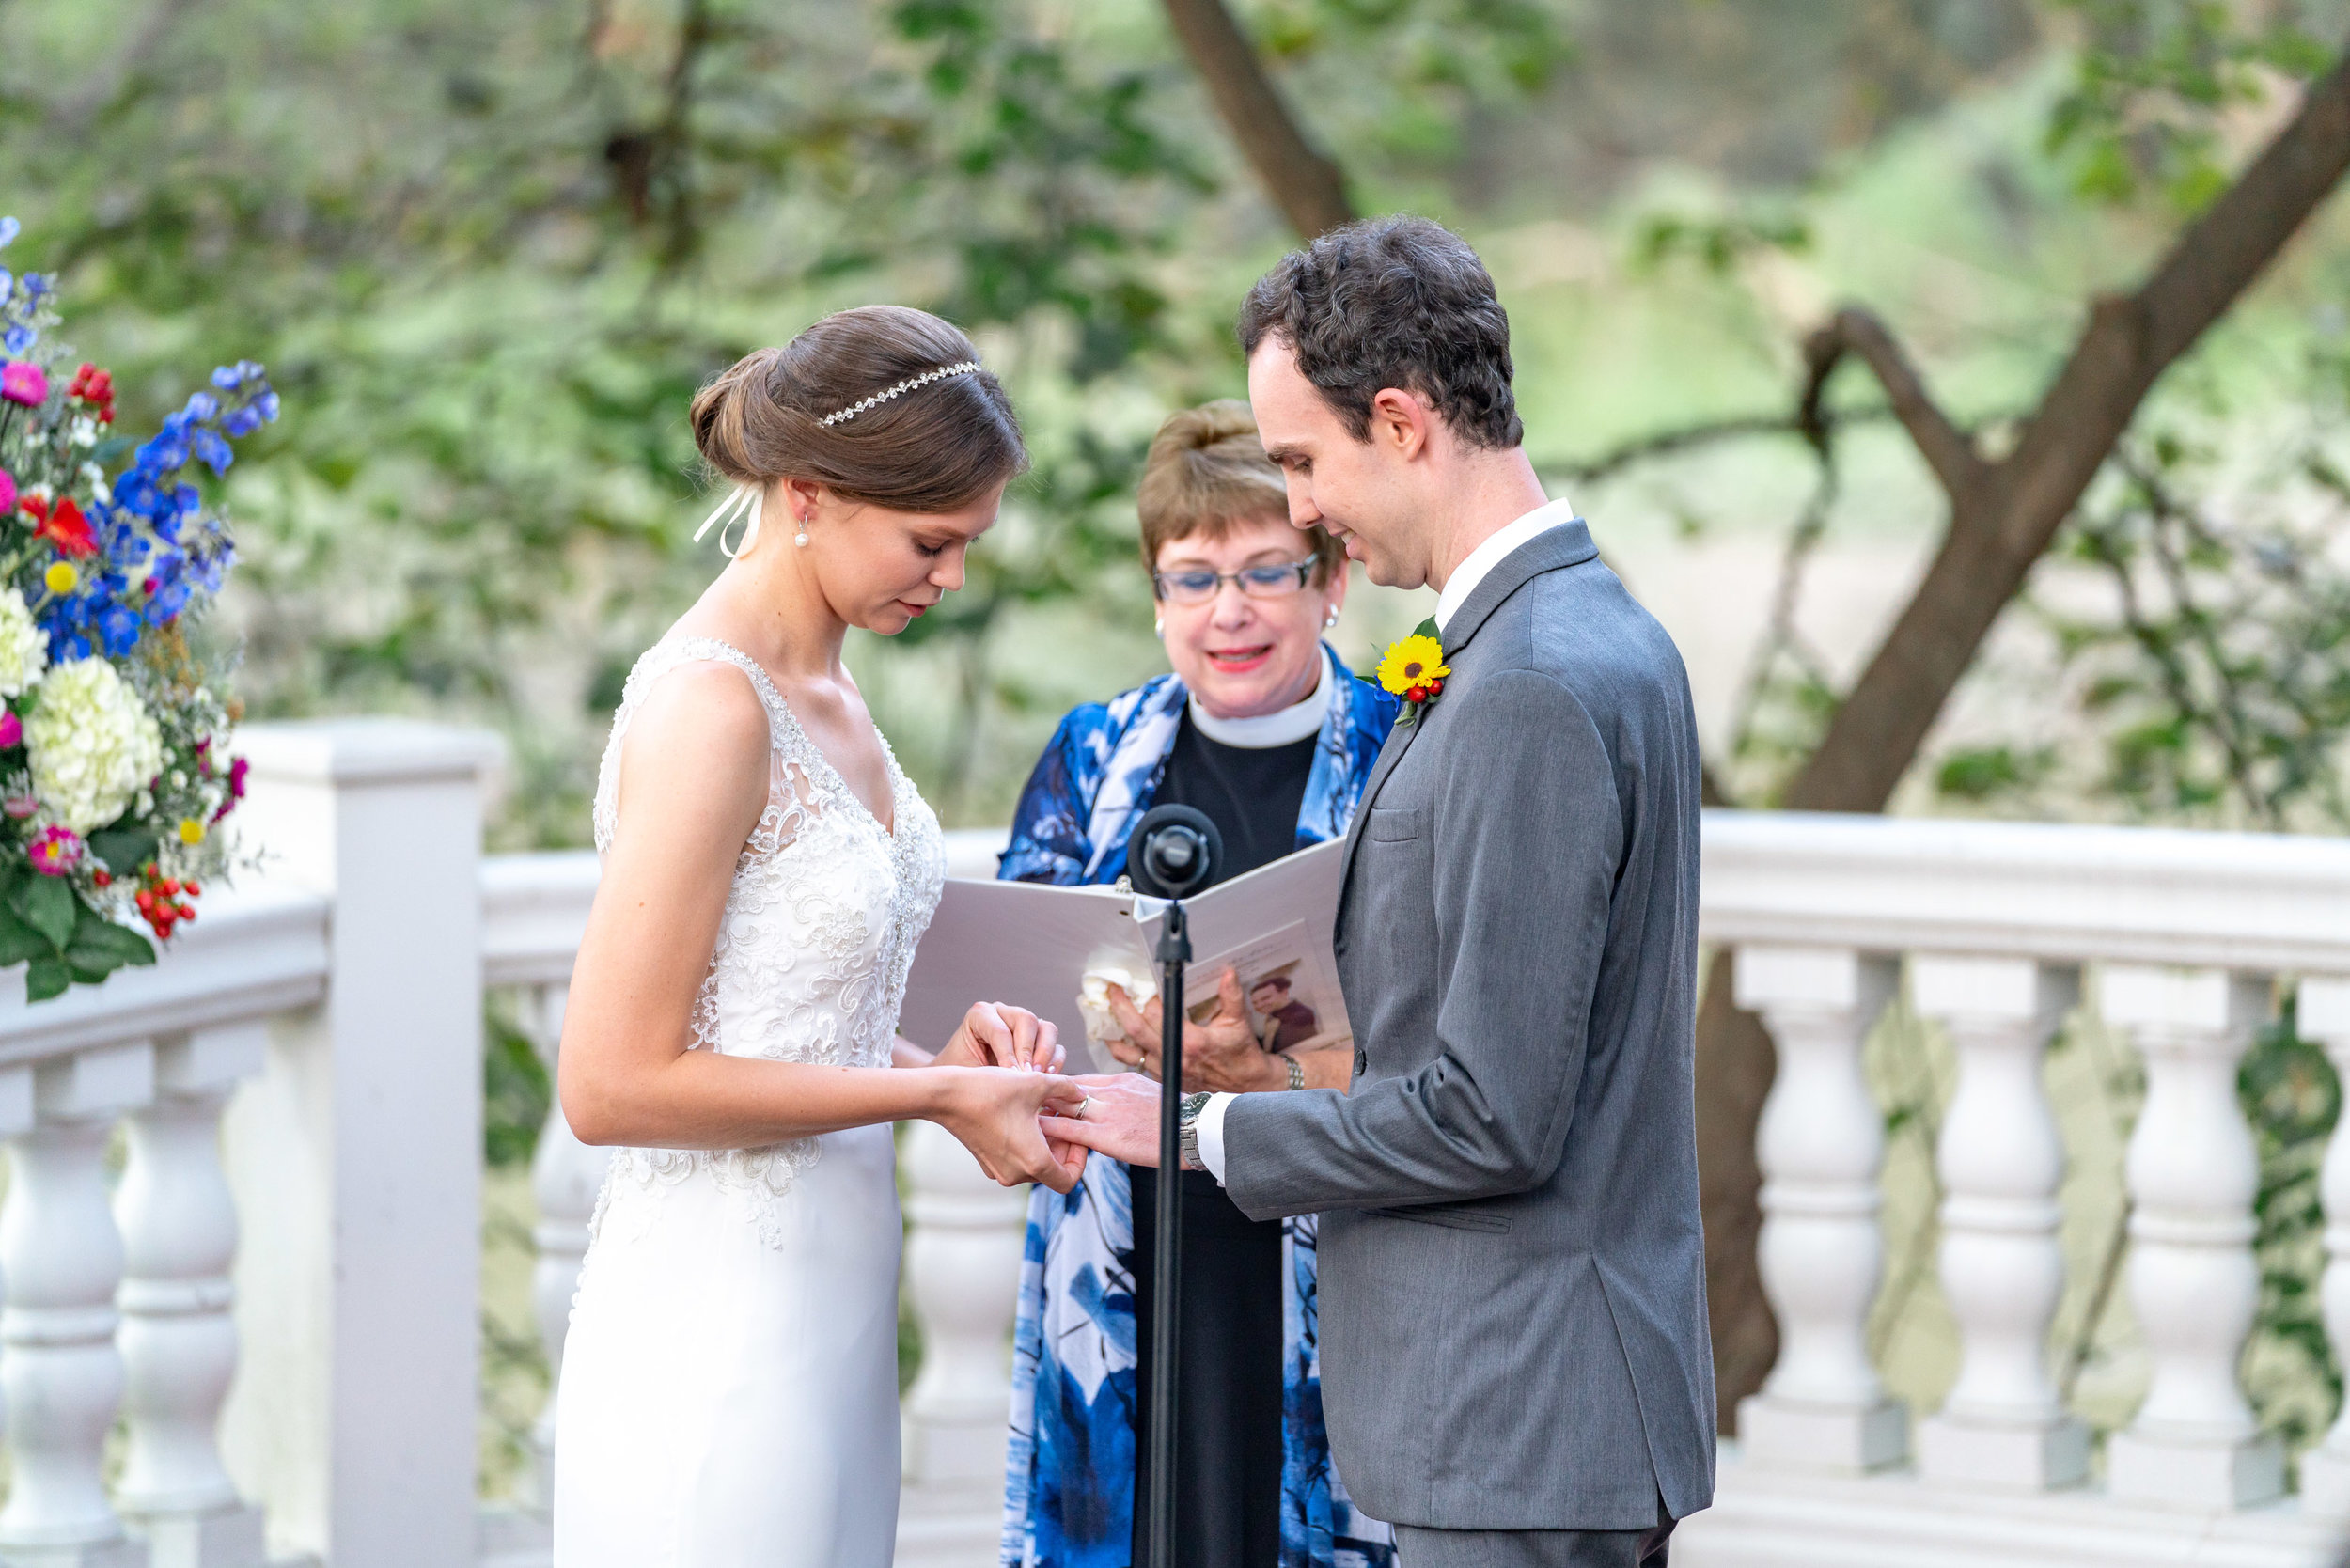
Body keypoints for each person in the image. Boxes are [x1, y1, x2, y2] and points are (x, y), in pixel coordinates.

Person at [1047, 217, 1716, 1568]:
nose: (1297, 509)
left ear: (1403, 423)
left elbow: (1496, 1114)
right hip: (1527, 1415)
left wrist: (1195, 1130)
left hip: (1517, 1417)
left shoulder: (1526, 684)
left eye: (1301, 460)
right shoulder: (1576, 630)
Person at [550, 306, 1089, 1568]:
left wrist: (939, 1068)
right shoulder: (711, 710)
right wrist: (941, 1093)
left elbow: (773, 1022)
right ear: (808, 495)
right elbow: (612, 1082)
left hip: (832, 1316)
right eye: (929, 541)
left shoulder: (833, 690)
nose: (950, 578)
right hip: (715, 1331)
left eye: (966, 546)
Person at [998, 400, 1400, 1568]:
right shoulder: (1088, 753)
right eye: (1192, 576)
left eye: (1266, 571)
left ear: (1333, 585)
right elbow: (1016, 975)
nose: (1228, 610)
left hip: (1325, 1224)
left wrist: (1276, 1064)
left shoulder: (1402, 748)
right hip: (1131, 1235)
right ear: (1156, 592)